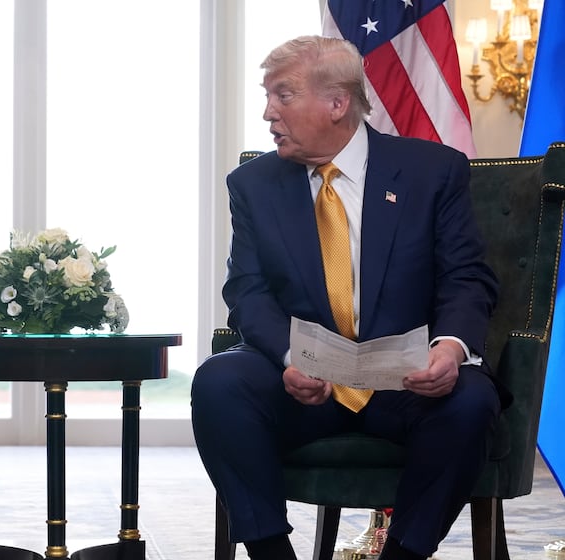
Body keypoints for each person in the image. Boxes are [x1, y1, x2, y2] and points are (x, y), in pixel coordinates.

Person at [191, 35, 511, 560]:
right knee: (219, 382)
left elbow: (466, 277)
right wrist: (290, 359)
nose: (268, 112)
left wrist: (450, 349)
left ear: (337, 103)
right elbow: (247, 290)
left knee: (471, 399)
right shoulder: (253, 184)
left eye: (283, 95)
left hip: (406, 382)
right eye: (267, 96)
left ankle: (403, 554)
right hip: (305, 384)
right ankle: (271, 553)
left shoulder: (432, 172)